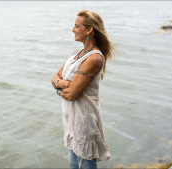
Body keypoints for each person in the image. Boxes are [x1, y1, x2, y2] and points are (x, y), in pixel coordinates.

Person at [51, 9, 115, 169]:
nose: (73, 30)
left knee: (85, 165)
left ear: (89, 30)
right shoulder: (76, 54)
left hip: (84, 120)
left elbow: (72, 94)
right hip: (71, 119)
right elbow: (54, 78)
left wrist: (60, 87)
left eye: (76, 26)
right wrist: (63, 84)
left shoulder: (94, 58)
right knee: (73, 165)